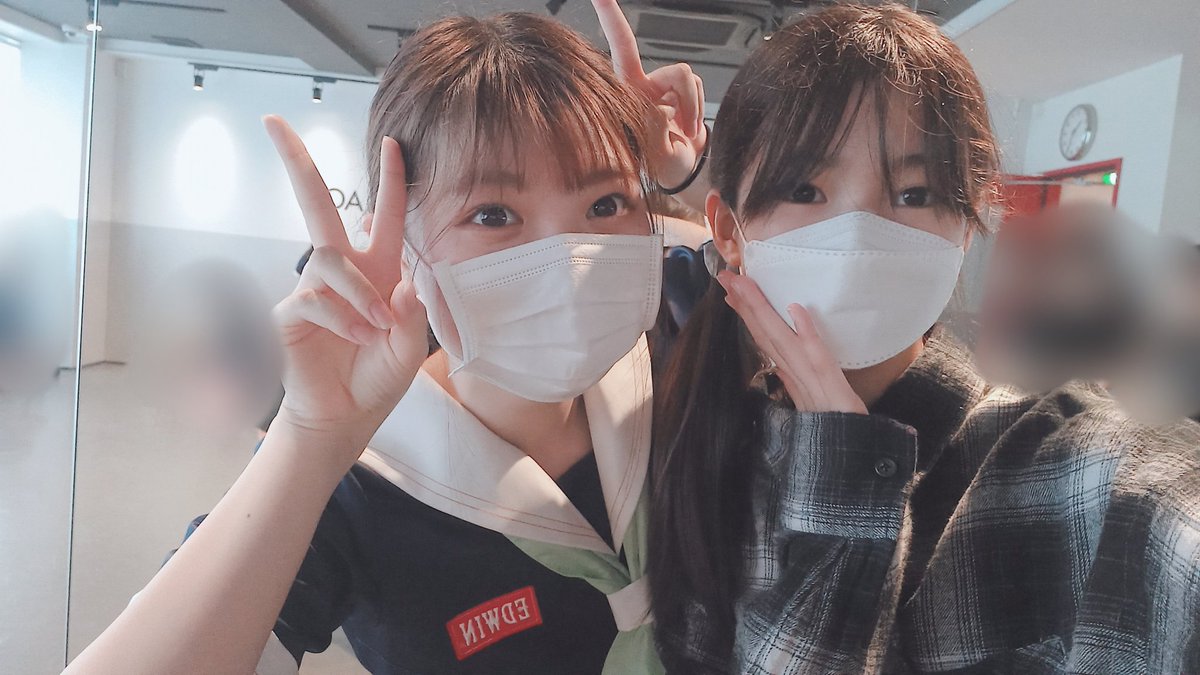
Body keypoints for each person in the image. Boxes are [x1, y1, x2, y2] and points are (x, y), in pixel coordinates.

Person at [65, 8, 706, 674]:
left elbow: (758, 264)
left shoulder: (671, 351)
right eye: (493, 214)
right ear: (401, 241)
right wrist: (309, 438)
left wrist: (687, 174)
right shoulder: (359, 477)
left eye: (605, 205)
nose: (567, 262)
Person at [647, 4, 1200, 673]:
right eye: (804, 188)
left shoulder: (1071, 471)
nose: (858, 235)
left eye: (913, 194)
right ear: (728, 233)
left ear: (966, 229)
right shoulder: (702, 446)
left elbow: (1169, 509)